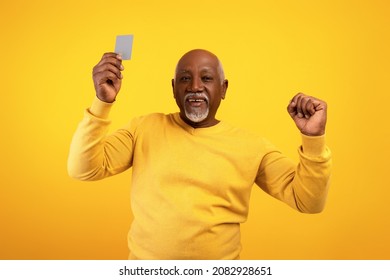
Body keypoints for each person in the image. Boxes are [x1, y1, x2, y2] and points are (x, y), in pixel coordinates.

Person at [67, 49, 332, 260]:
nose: (195, 86)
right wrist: (102, 103)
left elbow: (308, 201)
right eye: (185, 78)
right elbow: (83, 169)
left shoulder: (252, 146)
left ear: (224, 88)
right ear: (173, 88)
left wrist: (313, 139)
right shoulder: (143, 129)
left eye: (206, 78)